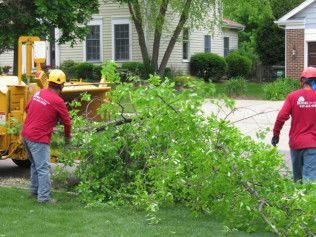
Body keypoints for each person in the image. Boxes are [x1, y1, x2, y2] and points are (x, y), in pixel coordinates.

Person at [22, 69, 71, 203]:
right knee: (43, 169)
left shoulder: (38, 92)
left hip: (25, 135)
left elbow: (27, 109)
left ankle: (33, 191)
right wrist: (67, 137)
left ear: (49, 82)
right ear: (61, 85)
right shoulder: (58, 101)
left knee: (34, 165)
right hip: (38, 138)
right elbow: (67, 122)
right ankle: (44, 198)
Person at [272, 67, 316, 182]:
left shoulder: (292, 96)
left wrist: (276, 134)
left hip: (296, 143)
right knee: (310, 181)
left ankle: (296, 200)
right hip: (313, 144)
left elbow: (281, 117)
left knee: (298, 179)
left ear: (302, 81)